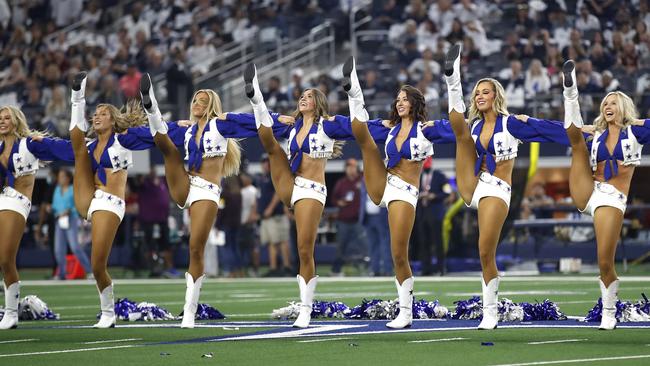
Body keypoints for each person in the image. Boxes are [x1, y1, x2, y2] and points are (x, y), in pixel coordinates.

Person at [139, 74, 290, 328]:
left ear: (210, 106)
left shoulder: (221, 124)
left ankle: (189, 309)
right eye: (195, 100)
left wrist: (276, 119)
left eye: (202, 101)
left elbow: (253, 122)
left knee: (195, 247)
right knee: (164, 142)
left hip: (207, 191)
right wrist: (118, 132)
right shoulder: (185, 128)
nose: (197, 104)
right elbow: (147, 135)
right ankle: (151, 106)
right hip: (185, 183)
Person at [443, 44, 569, 330]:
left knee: (484, 249)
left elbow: (544, 129)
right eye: (476, 93)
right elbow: (443, 130)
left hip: (497, 189)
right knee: (458, 130)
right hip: (473, 184)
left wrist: (577, 133)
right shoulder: (473, 127)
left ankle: (491, 310)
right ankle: (453, 79)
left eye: (485, 92)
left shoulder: (512, 123)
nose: (480, 96)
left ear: (496, 96)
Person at [341, 57, 455, 328]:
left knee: (398, 253)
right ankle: (354, 91)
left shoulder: (426, 130)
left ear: (415, 103)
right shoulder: (389, 129)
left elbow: (460, 131)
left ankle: (406, 311)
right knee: (366, 142)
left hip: (405, 192)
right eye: (398, 99)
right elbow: (355, 129)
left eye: (404, 99)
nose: (400, 102)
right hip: (384, 185)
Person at [244, 63, 352, 328]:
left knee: (304, 248)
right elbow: (259, 124)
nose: (304, 98)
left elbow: (359, 127)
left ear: (318, 103)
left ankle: (306, 308)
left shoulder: (327, 125)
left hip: (312, 191)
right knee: (270, 145)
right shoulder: (290, 127)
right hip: (290, 185)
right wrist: (274, 116)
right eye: (301, 96)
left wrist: (384, 124)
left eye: (309, 96)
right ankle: (255, 95)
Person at [561, 60, 650, 330]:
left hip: (612, 198)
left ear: (622, 107)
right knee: (575, 139)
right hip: (589, 191)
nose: (607, 107)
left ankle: (609, 310)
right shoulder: (595, 133)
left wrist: (638, 120)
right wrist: (528, 122)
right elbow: (558, 131)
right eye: (604, 105)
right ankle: (570, 92)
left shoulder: (636, 130)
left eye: (612, 103)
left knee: (603, 261)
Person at [68, 72, 157, 328]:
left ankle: (108, 312)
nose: (96, 116)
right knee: (77, 146)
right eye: (94, 113)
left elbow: (156, 135)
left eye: (103, 113)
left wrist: (178, 125)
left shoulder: (124, 140)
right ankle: (77, 96)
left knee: (97, 264)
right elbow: (65, 147)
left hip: (110, 203)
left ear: (113, 119)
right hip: (91, 199)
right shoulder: (89, 145)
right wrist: (35, 143)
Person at [0, 106, 73, 330]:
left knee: (5, 258)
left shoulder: (29, 143)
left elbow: (66, 150)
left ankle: (11, 313)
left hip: (17, 201)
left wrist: (86, 143)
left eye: (6, 118)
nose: (2, 121)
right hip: (2, 198)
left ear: (16, 120)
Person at [136, 167, 176, 278]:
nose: (152, 171)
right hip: (148, 220)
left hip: (163, 219)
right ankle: (153, 268)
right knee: (150, 246)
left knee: (166, 245)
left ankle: (169, 268)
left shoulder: (162, 182)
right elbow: (138, 182)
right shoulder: (145, 183)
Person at [52, 168, 91, 280]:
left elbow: (77, 204)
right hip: (59, 220)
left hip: (71, 219)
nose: (60, 179)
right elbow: (55, 205)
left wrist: (69, 210)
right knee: (59, 249)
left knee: (75, 247)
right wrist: (53, 210)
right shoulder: (57, 189)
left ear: (68, 178)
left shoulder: (72, 189)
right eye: (59, 177)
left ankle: (90, 271)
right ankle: (61, 273)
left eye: (63, 176)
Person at [415, 157, 451, 275]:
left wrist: (434, 196)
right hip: (422, 213)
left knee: (438, 241)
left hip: (435, 213)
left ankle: (441, 268)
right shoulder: (417, 176)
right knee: (423, 241)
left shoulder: (439, 176)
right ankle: (426, 268)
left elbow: (447, 191)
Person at [257, 155, 291, 277]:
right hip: (266, 216)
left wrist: (270, 208)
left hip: (276, 215)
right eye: (264, 162)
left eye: (267, 162)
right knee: (272, 242)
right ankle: (274, 268)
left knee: (282, 241)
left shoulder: (275, 175)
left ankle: (287, 267)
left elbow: (278, 193)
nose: (265, 165)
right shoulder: (263, 177)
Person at [330, 158, 366, 276]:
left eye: (353, 167)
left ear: (357, 168)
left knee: (364, 246)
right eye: (349, 167)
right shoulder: (341, 183)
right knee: (341, 246)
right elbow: (333, 199)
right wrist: (339, 202)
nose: (351, 169)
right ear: (345, 169)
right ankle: (336, 270)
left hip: (359, 221)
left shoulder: (363, 181)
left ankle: (367, 268)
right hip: (344, 220)